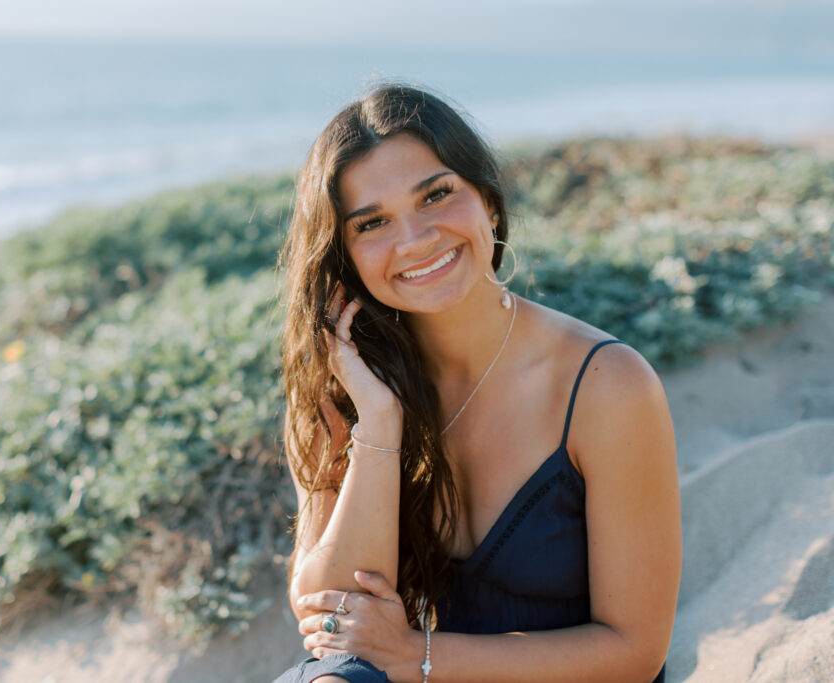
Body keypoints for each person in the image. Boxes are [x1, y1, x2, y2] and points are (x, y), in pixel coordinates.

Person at [273, 84, 681, 683]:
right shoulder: (348, 388)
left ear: (487, 201)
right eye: (373, 222)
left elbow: (636, 653)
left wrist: (417, 657)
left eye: (435, 195)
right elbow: (332, 624)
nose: (415, 239)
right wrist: (379, 426)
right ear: (347, 258)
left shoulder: (606, 385)